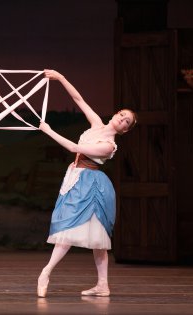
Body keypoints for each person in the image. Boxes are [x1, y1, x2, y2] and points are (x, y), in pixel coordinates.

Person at [37, 69, 137, 298]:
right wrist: (61, 77)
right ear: (116, 114)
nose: (122, 119)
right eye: (122, 114)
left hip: (92, 185)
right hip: (77, 177)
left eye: (126, 121)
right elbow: (78, 99)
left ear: (126, 130)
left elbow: (74, 148)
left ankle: (46, 272)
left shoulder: (109, 145)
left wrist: (49, 130)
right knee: (91, 237)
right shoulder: (97, 124)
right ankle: (103, 285)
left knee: (85, 234)